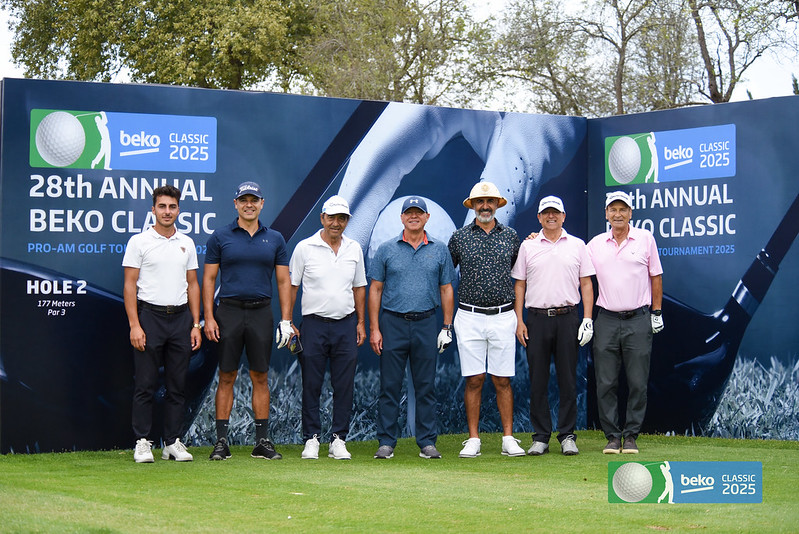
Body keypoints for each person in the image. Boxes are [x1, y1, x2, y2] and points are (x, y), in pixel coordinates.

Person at [203, 181, 293, 461]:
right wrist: (208, 317)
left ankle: (261, 442)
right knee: (227, 375)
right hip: (228, 312)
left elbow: (283, 281)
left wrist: (286, 320)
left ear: (262, 204)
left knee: (260, 376)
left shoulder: (275, 239)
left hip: (261, 313)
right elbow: (208, 279)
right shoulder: (220, 237)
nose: (249, 205)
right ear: (236, 204)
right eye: (244, 200)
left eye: (254, 200)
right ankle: (221, 442)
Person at [368, 196, 455, 460]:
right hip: (392, 322)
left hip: (426, 322)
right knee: (390, 385)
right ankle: (386, 442)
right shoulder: (386, 249)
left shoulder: (440, 250)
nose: (413, 216)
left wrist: (447, 326)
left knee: (425, 385)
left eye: (418, 212)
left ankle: (427, 442)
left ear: (427, 217)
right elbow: (375, 289)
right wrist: (375, 328)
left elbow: (446, 289)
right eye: (409, 213)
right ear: (402, 217)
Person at [123, 185, 201, 463]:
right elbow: (130, 285)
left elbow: (193, 284)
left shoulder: (187, 242)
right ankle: (142, 442)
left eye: (172, 207)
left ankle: (172, 442)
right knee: (145, 384)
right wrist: (135, 325)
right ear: (153, 209)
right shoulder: (139, 242)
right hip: (149, 318)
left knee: (177, 386)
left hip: (181, 319)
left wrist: (196, 324)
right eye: (162, 206)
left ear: (178, 210)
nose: (167, 212)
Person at [511, 196, 595, 457]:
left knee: (567, 380)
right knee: (538, 381)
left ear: (563, 216)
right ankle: (541, 437)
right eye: (546, 213)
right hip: (536, 319)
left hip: (568, 318)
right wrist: (519, 320)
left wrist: (587, 318)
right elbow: (520, 284)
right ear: (539, 217)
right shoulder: (528, 246)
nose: (551, 216)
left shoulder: (578, 245)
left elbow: (586, 284)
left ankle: (567, 435)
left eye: (555, 212)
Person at [448, 181, 526, 458]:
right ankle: (473, 439)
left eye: (489, 201)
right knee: (474, 379)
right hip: (469, 316)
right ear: (472, 206)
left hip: (503, 316)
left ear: (496, 205)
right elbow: (446, 275)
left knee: (502, 380)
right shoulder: (459, 237)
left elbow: (519, 274)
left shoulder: (512, 236)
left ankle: (508, 438)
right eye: (479, 202)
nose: (484, 206)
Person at [289, 195, 367, 460]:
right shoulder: (304, 247)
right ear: (322, 218)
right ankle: (311, 438)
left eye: (342, 218)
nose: (336, 223)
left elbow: (359, 287)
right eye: (332, 217)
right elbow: (292, 286)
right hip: (313, 326)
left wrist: (360, 322)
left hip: (346, 325)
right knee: (311, 384)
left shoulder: (354, 248)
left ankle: (338, 439)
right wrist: (288, 321)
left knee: (344, 385)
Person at [587, 190, 664, 454]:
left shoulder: (645, 239)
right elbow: (573, 262)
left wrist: (656, 312)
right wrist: (536, 238)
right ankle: (612, 436)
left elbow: (656, 276)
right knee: (605, 382)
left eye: (623, 209)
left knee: (638, 382)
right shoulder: (595, 244)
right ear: (606, 214)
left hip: (639, 319)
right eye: (613, 210)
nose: (618, 214)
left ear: (630, 213)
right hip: (606, 319)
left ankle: (630, 436)